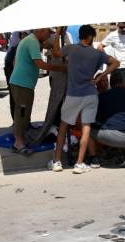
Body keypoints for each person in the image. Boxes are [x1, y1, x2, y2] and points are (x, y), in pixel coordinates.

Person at [49, 25, 119, 174]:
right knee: (86, 128)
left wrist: (58, 33)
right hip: (90, 94)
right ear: (90, 37)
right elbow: (116, 63)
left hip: (73, 94)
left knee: (63, 127)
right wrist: (101, 75)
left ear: (81, 36)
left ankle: (57, 161)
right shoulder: (97, 53)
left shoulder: (70, 48)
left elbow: (55, 53)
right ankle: (79, 163)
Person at [9, 28, 66, 154]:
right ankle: (18, 143)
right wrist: (60, 68)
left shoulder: (31, 40)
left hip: (23, 83)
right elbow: (40, 64)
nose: (47, 37)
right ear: (41, 30)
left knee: (24, 113)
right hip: (22, 84)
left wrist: (56, 37)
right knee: (22, 114)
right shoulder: (32, 42)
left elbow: (47, 45)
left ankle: (19, 139)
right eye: (47, 33)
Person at [88, 70, 125, 169]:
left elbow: (96, 118)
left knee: (87, 128)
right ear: (124, 82)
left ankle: (93, 159)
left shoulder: (102, 97)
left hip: (112, 136)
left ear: (110, 83)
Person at [100, 22, 125, 93]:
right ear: (117, 25)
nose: (124, 29)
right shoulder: (112, 35)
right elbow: (100, 47)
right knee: (121, 92)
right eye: (121, 27)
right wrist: (109, 60)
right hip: (119, 69)